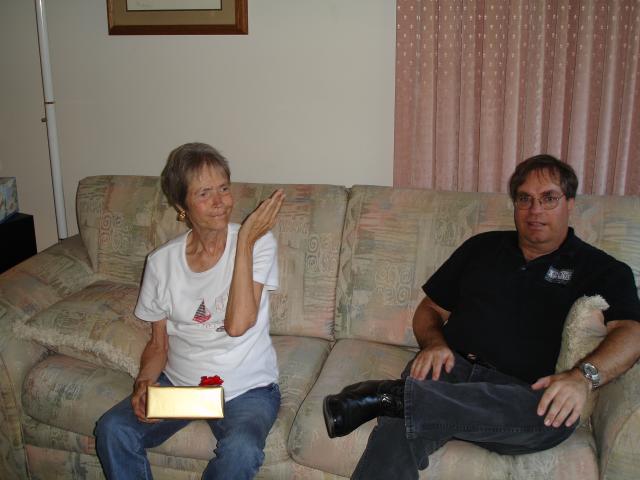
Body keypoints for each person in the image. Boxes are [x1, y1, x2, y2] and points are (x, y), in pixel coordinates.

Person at [323, 154, 640, 479]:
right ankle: (401, 400)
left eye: (549, 198)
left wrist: (582, 377)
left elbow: (631, 332)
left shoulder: (603, 269)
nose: (535, 210)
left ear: (570, 203)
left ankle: (392, 396)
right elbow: (430, 309)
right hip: (447, 369)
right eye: (525, 199)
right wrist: (434, 344)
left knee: (554, 418)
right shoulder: (482, 247)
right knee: (398, 431)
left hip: (517, 394)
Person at [95, 142, 285, 480]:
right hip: (183, 388)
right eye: (204, 193)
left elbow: (238, 324)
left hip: (246, 390)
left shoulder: (258, 243)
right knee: (113, 429)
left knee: (242, 450)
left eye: (224, 188)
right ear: (182, 206)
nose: (220, 202)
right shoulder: (161, 263)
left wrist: (244, 242)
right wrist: (143, 384)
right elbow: (158, 344)